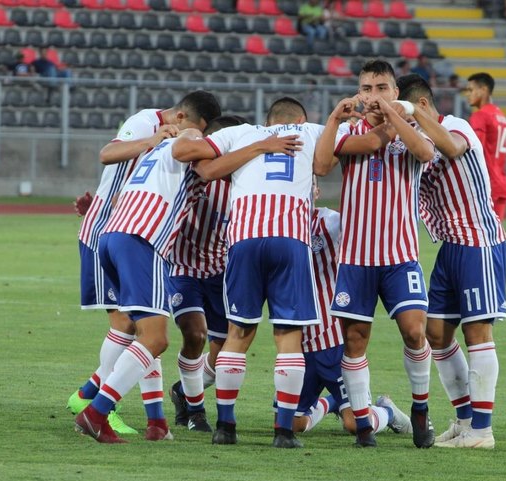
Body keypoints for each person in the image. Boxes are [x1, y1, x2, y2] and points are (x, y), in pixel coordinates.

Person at [68, 91, 222, 441]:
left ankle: (151, 420)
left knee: (142, 330)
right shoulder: (153, 127)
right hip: (133, 236)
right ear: (181, 118)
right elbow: (107, 154)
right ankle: (99, 410)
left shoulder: (164, 144)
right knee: (135, 331)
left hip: (117, 227)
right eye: (196, 133)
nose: (197, 140)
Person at [172, 97, 321, 448]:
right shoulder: (308, 133)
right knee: (288, 338)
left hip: (243, 241)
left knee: (237, 335)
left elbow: (196, 163)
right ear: (299, 120)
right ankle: (284, 432)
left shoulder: (237, 133)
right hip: (290, 239)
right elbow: (337, 157)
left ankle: (225, 427)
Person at [314, 59, 436, 448]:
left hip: (400, 255)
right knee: (354, 340)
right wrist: (339, 119)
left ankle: (420, 409)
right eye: (366, 88)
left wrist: (395, 118)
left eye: (381, 88)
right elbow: (320, 165)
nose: (372, 95)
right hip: (355, 257)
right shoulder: (349, 129)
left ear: (395, 92)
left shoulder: (411, 128)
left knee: (415, 332)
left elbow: (425, 154)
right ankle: (364, 423)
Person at [396, 73, 506, 449]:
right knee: (437, 333)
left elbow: (453, 149)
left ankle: (482, 430)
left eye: (409, 115)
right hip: (450, 247)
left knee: (477, 333)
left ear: (422, 106)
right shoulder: (417, 143)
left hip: (478, 241)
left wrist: (411, 112)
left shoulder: (456, 125)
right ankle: (463, 422)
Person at [291, 177, 413, 438]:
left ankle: (388, 411)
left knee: (355, 424)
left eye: (308, 184)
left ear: (316, 190)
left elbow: (365, 229)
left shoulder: (330, 222)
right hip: (299, 344)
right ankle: (331, 402)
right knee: (293, 424)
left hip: (334, 342)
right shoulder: (279, 226)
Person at [166, 115, 248, 432]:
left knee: (225, 351)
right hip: (182, 267)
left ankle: (182, 392)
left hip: (220, 273)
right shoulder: (190, 174)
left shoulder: (242, 179)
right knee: (195, 334)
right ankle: (197, 412)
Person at [465, 72, 506, 221]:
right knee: (496, 237)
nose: (468, 94)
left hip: (487, 184)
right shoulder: (500, 115)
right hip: (501, 182)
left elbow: (473, 150)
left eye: (471, 90)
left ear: (483, 90)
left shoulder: (480, 116)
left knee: (480, 239)